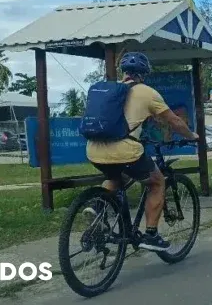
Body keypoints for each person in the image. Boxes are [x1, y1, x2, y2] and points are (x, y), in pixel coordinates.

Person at [83, 52, 200, 252]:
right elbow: (174, 121)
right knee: (157, 182)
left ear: (124, 72)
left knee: (116, 176)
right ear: (144, 73)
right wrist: (191, 135)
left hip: (94, 149)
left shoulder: (109, 90)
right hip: (124, 150)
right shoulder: (147, 93)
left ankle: (96, 207)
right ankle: (151, 235)